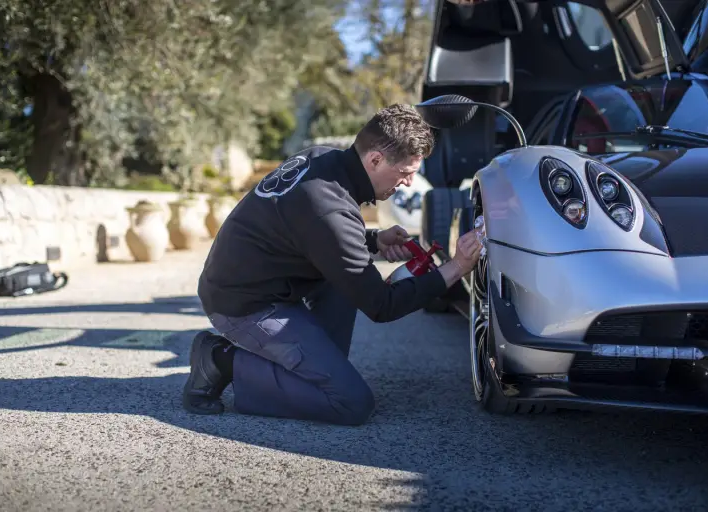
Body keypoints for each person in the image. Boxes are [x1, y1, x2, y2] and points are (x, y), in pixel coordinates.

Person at [183, 104, 484, 426]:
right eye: (405, 172)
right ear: (375, 160)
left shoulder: (322, 159)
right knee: (348, 401)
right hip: (244, 305)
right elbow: (382, 306)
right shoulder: (329, 208)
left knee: (332, 341)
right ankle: (220, 359)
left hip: (262, 283)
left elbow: (308, 232)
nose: (409, 182)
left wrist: (374, 240)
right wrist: (455, 268)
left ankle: (302, 364)